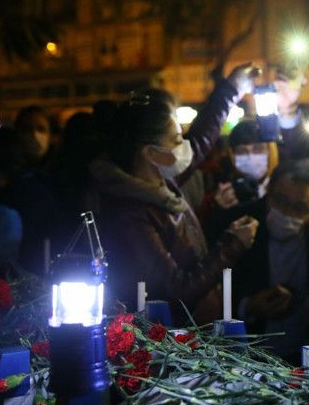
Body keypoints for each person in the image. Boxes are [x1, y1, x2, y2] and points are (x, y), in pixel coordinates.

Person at [91, 66, 260, 325]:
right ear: (150, 152)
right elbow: (174, 292)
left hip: (197, 328)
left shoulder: (163, 183)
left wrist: (231, 89)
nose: (184, 147)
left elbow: (201, 140)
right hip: (178, 338)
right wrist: (231, 246)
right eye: (176, 140)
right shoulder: (131, 213)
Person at [211, 159, 309, 365]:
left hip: (302, 356)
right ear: (268, 193)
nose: (286, 212)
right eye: (280, 200)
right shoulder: (234, 225)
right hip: (243, 355)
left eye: (299, 207)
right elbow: (210, 297)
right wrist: (247, 307)